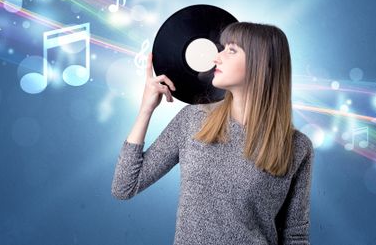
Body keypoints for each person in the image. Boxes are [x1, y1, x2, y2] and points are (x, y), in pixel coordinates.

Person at [111, 22, 315, 245]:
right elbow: (125, 186)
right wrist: (145, 110)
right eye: (222, 48)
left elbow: (294, 235)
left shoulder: (297, 147)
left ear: (263, 64)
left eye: (231, 50)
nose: (216, 57)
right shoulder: (193, 119)